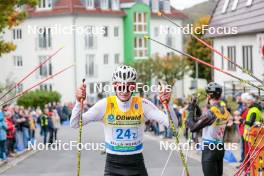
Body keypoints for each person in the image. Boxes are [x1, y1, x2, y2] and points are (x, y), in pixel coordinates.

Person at [70, 65, 178, 176]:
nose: (124, 91)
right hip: (113, 166)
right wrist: (78, 103)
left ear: (134, 87)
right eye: (120, 87)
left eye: (129, 87)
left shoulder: (143, 104)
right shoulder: (105, 104)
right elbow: (75, 123)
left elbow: (173, 126)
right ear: (114, 86)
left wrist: (168, 104)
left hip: (137, 165)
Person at [187, 82, 230, 176]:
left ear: (209, 96)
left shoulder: (212, 113)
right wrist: (195, 106)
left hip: (209, 149)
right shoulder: (224, 110)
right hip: (219, 147)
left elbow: (193, 127)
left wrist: (190, 110)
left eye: (207, 95)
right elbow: (200, 119)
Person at [243, 93, 262, 158]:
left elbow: (250, 123)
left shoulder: (254, 110)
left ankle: (247, 167)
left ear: (253, 101)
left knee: (250, 154)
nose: (246, 102)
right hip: (253, 135)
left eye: (248, 100)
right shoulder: (258, 109)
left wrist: (242, 121)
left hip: (250, 136)